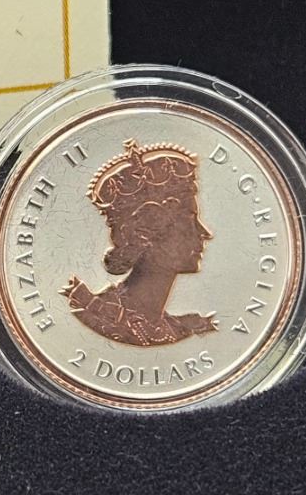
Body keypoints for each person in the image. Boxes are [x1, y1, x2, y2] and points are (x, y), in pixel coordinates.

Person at [63, 139, 218, 347]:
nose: (206, 233)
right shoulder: (96, 313)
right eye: (190, 220)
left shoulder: (173, 329)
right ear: (146, 233)